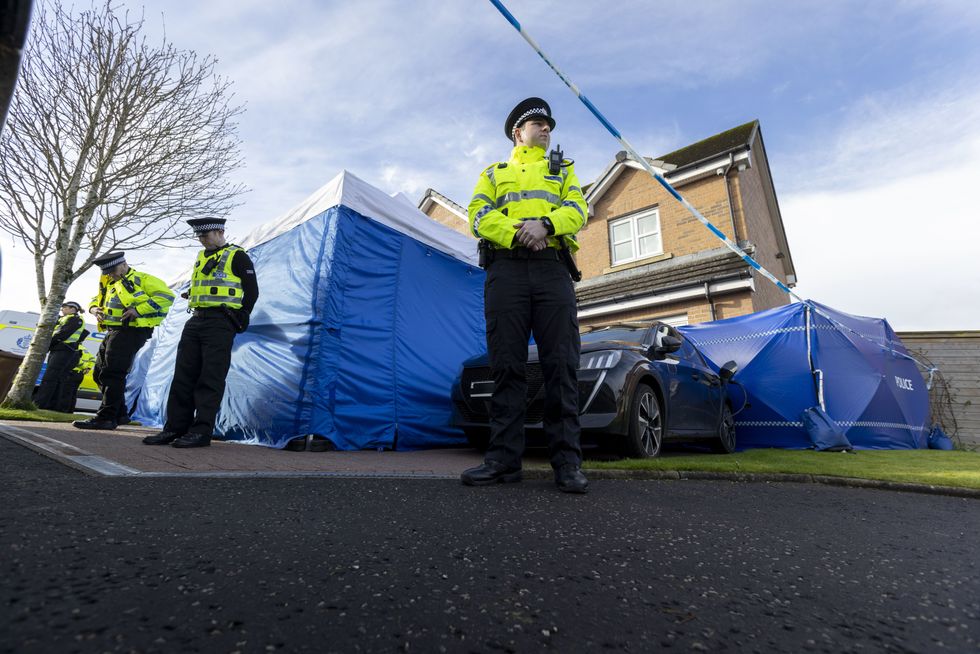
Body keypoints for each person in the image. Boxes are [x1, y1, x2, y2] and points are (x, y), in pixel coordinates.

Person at [460, 97, 590, 493]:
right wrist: (519, 231)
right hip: (507, 270)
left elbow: (579, 210)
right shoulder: (494, 173)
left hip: (553, 270)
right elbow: (477, 215)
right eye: (538, 123)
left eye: (549, 124)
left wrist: (546, 226)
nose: (546, 128)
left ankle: (567, 464)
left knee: (561, 366)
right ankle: (503, 461)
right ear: (518, 132)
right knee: (506, 366)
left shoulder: (564, 170)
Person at [142, 218, 258, 448]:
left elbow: (252, 291)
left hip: (221, 322)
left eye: (205, 235)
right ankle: (175, 429)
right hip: (195, 320)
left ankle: (201, 432)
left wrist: (241, 317)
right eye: (199, 236)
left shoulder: (237, 256)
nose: (201, 240)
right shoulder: (201, 256)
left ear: (220, 232)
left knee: (210, 378)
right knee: (183, 377)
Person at [73, 252, 175, 430]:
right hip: (112, 330)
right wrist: (94, 309)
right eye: (107, 273)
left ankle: (106, 417)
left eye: (112, 271)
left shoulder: (143, 279)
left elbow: (166, 297)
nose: (110, 275)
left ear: (123, 264)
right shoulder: (110, 283)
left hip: (132, 330)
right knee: (99, 374)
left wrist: (139, 310)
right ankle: (120, 414)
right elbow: (96, 299)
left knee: (113, 373)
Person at [34, 301, 86, 409]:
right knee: (56, 379)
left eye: (64, 307)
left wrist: (46, 345)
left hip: (64, 350)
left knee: (50, 378)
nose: (62, 309)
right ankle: (52, 406)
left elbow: (62, 334)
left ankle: (40, 404)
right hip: (58, 350)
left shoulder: (75, 319)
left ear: (73, 309)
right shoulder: (63, 318)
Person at [55, 347, 96, 414]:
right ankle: (70, 410)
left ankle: (63, 410)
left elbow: (76, 360)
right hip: (79, 374)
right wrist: (88, 368)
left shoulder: (76, 347)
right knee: (73, 394)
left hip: (72, 373)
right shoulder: (85, 349)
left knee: (66, 393)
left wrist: (83, 366)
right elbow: (93, 359)